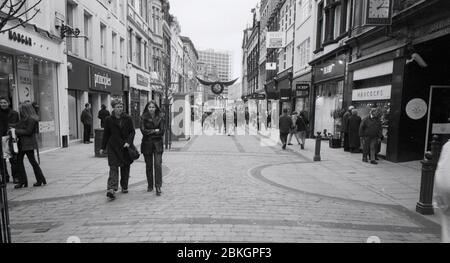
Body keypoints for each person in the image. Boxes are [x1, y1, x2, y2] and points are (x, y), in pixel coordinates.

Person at [100, 100, 135, 200]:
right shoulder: (108, 119)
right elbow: (106, 134)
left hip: (125, 147)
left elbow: (132, 132)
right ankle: (111, 188)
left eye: (121, 107)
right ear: (113, 108)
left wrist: (128, 142)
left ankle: (124, 186)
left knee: (125, 167)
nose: (120, 108)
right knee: (113, 167)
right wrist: (102, 147)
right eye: (118, 107)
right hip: (113, 147)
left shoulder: (128, 118)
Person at [13, 102, 46, 189]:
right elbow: (17, 126)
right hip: (22, 143)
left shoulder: (31, 119)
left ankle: (39, 180)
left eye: (21, 109)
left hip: (28, 144)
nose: (19, 111)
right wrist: (11, 127)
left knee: (32, 162)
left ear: (25, 110)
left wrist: (15, 131)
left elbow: (28, 131)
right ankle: (24, 181)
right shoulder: (24, 118)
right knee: (19, 162)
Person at [141, 101, 165, 196]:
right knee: (149, 166)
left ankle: (158, 186)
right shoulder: (143, 117)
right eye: (150, 107)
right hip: (147, 144)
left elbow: (162, 131)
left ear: (156, 108)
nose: (151, 109)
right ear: (147, 108)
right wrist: (155, 130)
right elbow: (143, 131)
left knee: (158, 165)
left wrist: (150, 132)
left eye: (153, 107)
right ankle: (150, 185)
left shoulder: (160, 117)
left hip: (157, 144)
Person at [0, 97, 19, 184]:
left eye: (4, 102)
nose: (3, 104)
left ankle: (15, 177)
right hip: (1, 137)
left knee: (13, 159)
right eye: (1, 103)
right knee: (1, 160)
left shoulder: (14, 113)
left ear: (8, 103)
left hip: (10, 138)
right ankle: (5, 177)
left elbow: (18, 124)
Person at [434, 140, 450, 243]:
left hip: (445, 190)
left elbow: (441, 172)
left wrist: (437, 196)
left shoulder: (447, 145)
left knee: (447, 227)